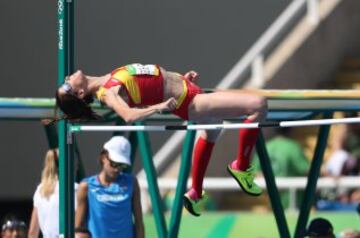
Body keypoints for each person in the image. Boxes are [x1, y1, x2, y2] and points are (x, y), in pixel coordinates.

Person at [56, 63, 268, 216]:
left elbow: (152, 82)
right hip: (190, 102)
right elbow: (128, 115)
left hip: (187, 90)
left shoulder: (108, 79)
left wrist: (181, 80)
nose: (66, 79)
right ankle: (241, 165)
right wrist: (159, 107)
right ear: (80, 92)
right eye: (66, 87)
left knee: (214, 130)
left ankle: (195, 193)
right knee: (258, 105)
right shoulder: (108, 92)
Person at [75, 136, 144, 238]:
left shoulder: (132, 182)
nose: (117, 169)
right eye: (114, 164)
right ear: (103, 157)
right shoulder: (86, 186)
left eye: (122, 165)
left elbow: (139, 222)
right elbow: (78, 227)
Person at [252, 127, 309, 209]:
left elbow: (255, 172)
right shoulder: (293, 147)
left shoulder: (265, 146)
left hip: (271, 201)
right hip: (292, 202)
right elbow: (306, 169)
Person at [28, 149, 78, 238]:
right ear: (69, 165)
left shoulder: (40, 190)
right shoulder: (75, 189)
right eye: (75, 162)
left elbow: (32, 232)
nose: (77, 167)